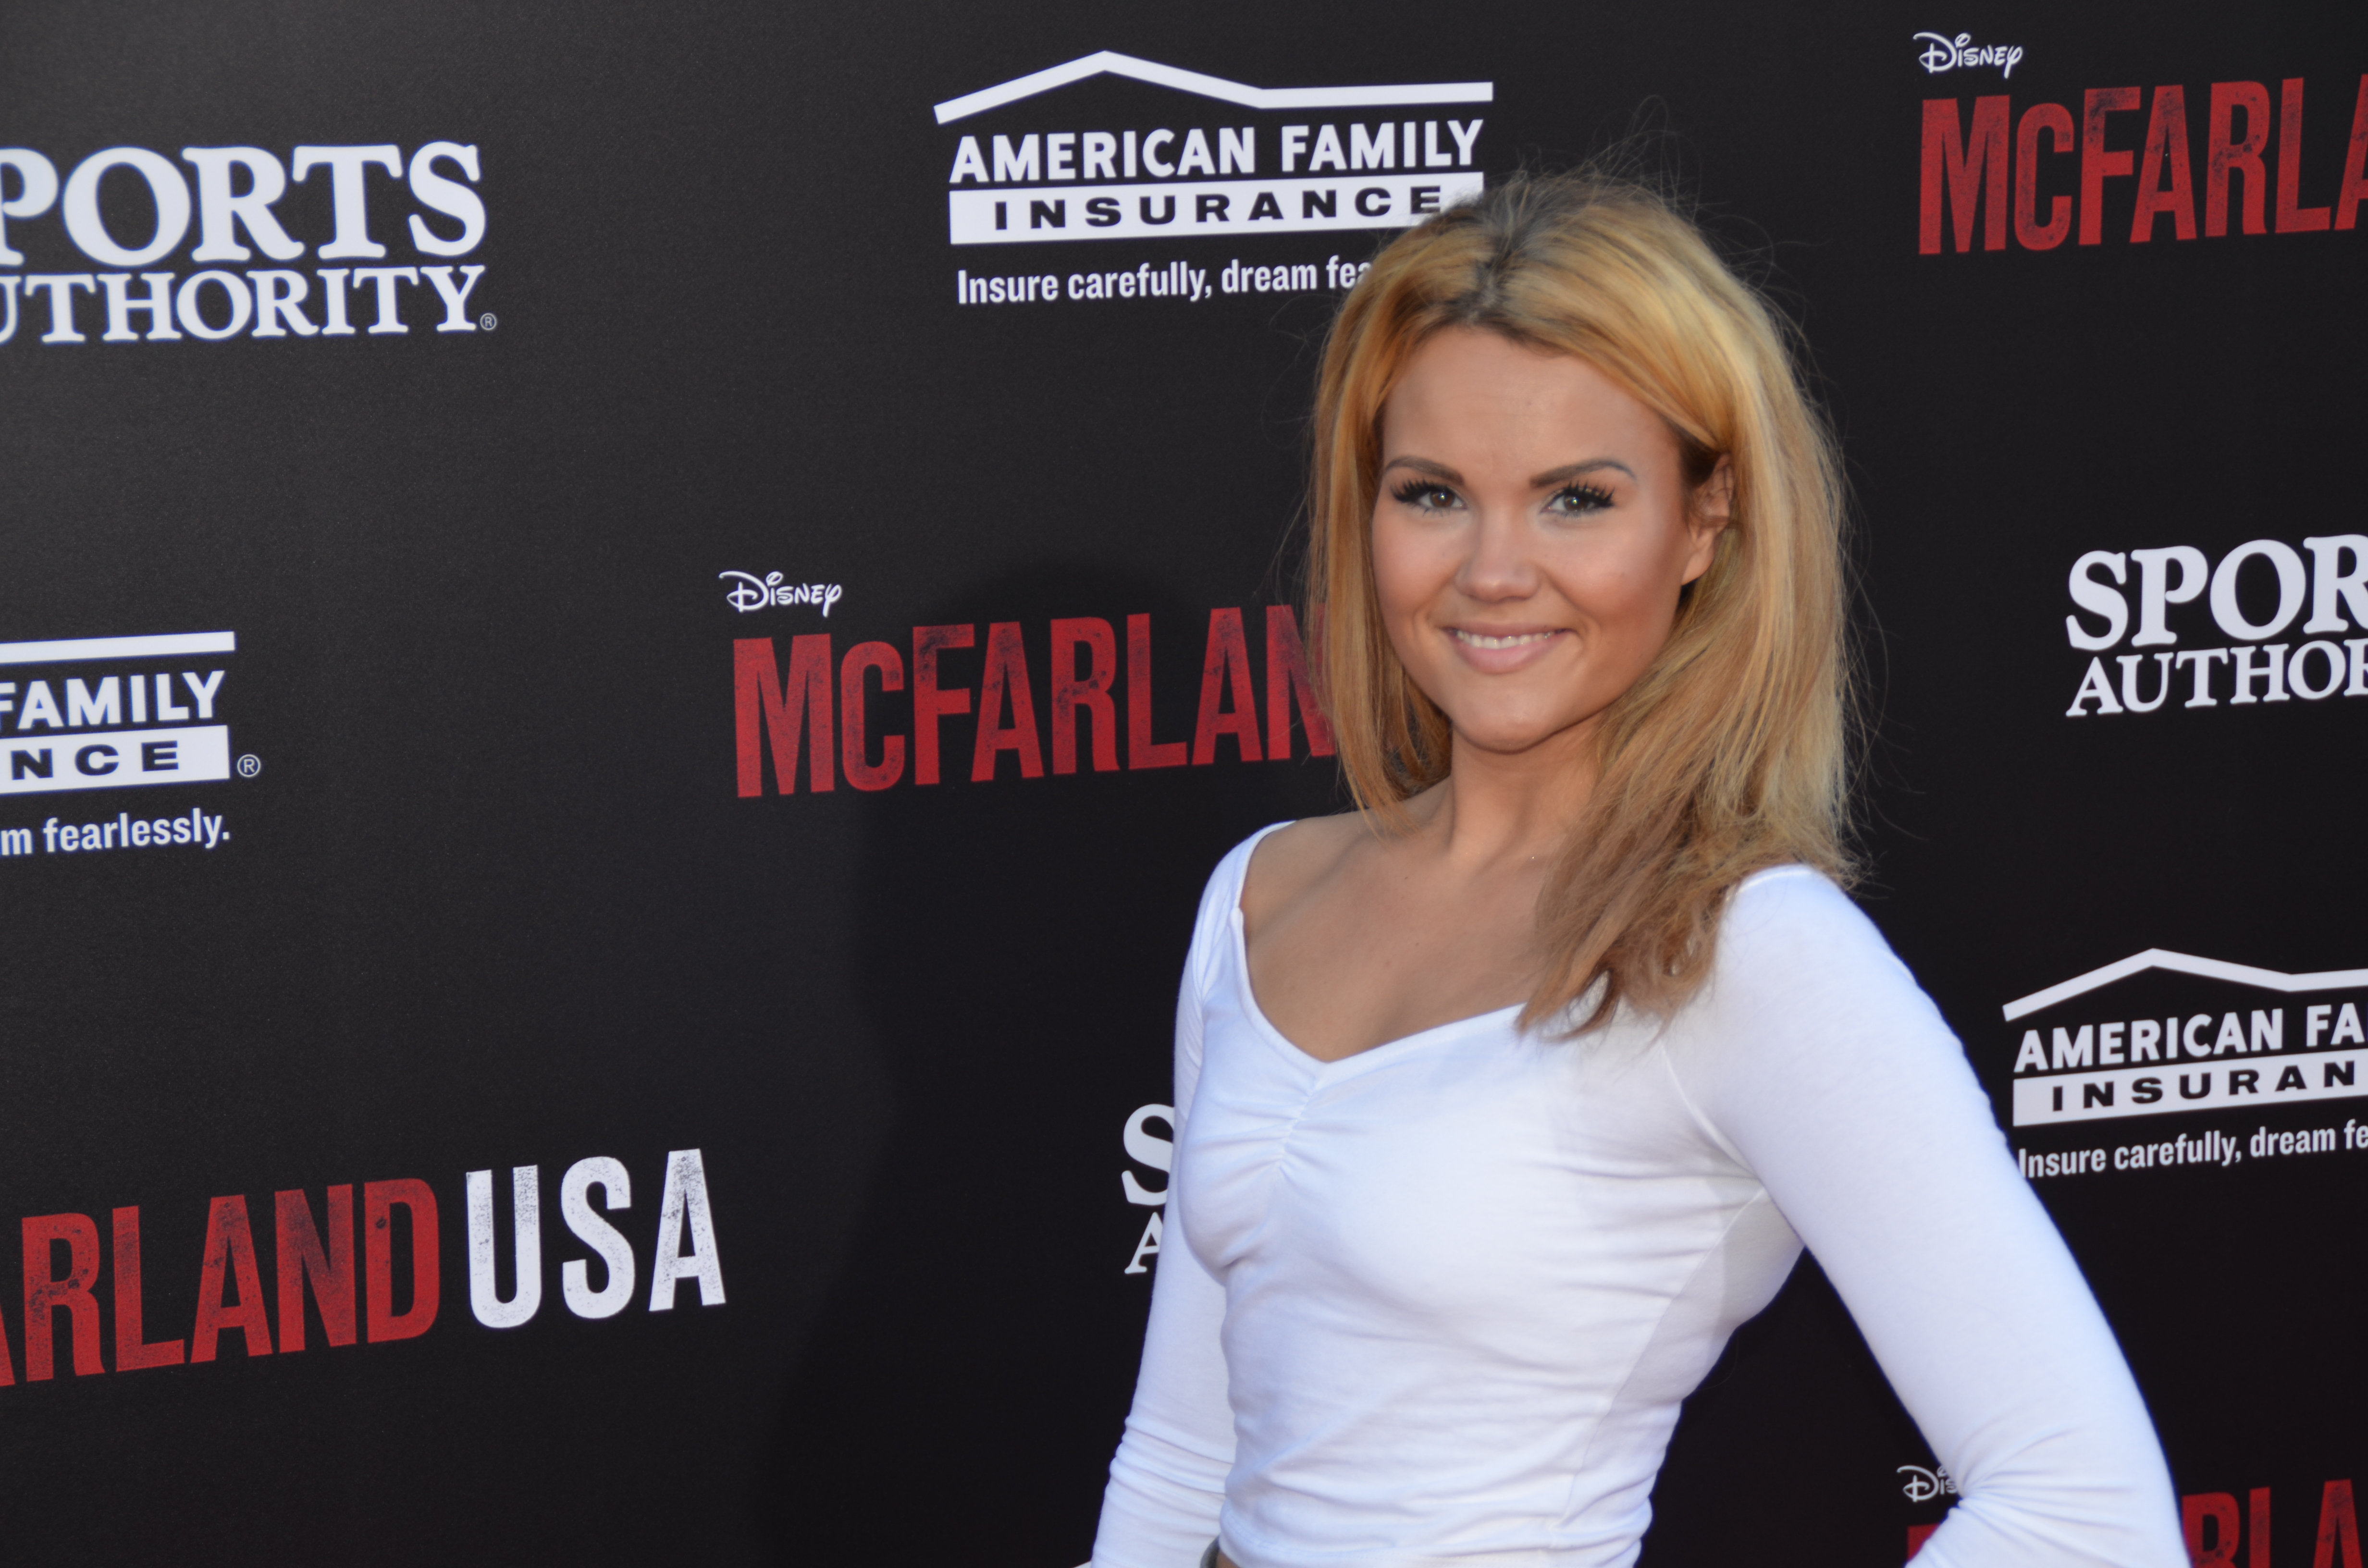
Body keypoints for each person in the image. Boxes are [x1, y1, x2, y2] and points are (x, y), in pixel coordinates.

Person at [1088, 171, 2184, 1568]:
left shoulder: (1743, 951)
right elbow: (1184, 1450)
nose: (1494, 570)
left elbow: (2090, 1516)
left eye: (1575, 500)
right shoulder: (1264, 893)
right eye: (1433, 494)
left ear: (1703, 522)